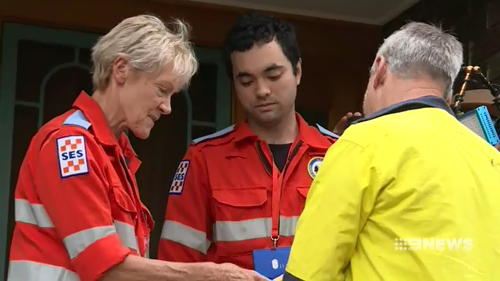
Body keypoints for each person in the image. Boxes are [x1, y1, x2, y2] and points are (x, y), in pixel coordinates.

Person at [8, 15, 267, 281]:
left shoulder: (113, 154)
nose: (167, 107)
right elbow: (104, 265)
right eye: (161, 90)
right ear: (121, 69)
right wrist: (207, 274)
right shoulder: (71, 145)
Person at [283, 22, 500, 281]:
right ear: (449, 96)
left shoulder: (362, 142)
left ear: (381, 70)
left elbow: (308, 274)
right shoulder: (490, 157)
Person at [157, 12, 339, 278]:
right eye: (246, 81)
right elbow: (176, 264)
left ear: (297, 71)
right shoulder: (205, 158)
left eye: (273, 76)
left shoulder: (338, 152)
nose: (262, 90)